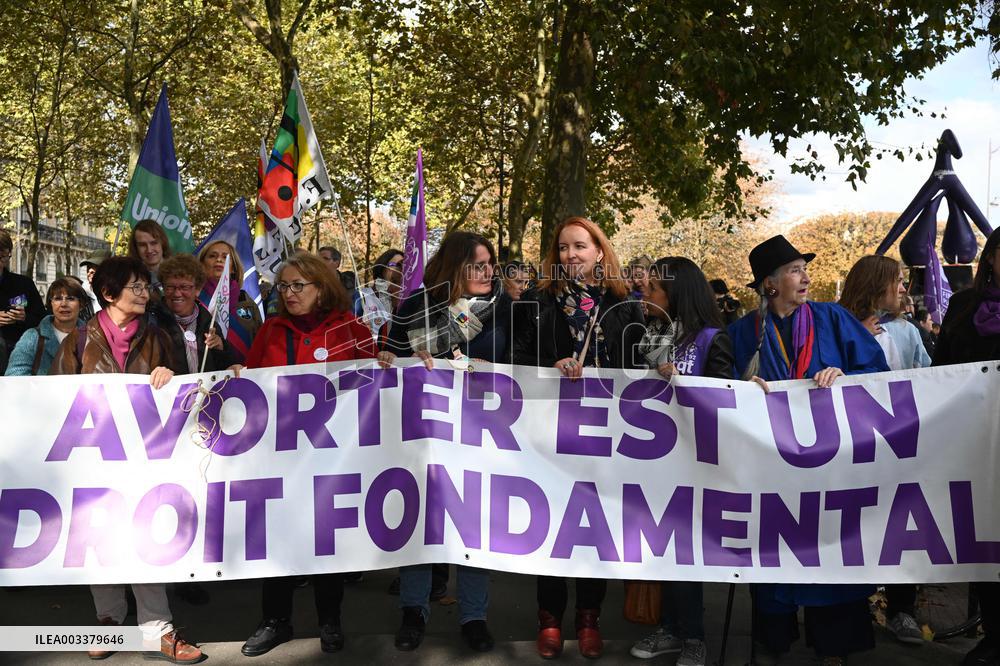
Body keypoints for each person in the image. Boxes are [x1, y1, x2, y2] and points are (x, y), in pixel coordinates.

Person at [729, 235, 888, 666]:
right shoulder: (744, 332)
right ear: (770, 284)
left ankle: (833, 648)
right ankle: (772, 642)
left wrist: (846, 376)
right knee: (772, 558)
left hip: (831, 466)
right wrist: (741, 387)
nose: (806, 277)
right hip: (771, 471)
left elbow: (879, 375)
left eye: (804, 268)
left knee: (830, 555)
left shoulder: (833, 318)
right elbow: (717, 387)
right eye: (795, 270)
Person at [48, 256, 201, 663]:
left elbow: (182, 390)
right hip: (92, 461)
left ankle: (158, 629)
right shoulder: (77, 342)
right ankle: (109, 621)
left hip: (144, 460)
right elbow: (53, 400)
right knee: (100, 541)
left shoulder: (157, 337)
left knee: (142, 539)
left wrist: (169, 375)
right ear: (109, 294)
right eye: (135, 286)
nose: (144, 292)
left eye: (145, 286)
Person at [512, 216, 645, 660]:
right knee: (552, 526)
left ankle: (589, 619)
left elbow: (638, 362)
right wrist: (551, 364)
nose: (571, 255)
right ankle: (549, 620)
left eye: (581, 246)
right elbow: (515, 355)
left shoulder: (626, 304)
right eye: (564, 248)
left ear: (600, 252)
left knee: (593, 528)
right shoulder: (536, 300)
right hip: (550, 431)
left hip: (607, 435)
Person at [379, 231, 510, 654]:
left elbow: (520, 360)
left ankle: (474, 616)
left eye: (491, 262)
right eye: (478, 264)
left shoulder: (503, 306)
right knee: (422, 523)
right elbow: (395, 357)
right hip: (425, 434)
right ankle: (413, 611)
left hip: (480, 434)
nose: (489, 271)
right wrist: (396, 359)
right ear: (455, 268)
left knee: (473, 525)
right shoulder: (417, 304)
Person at [239, 251, 376, 657]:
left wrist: (386, 362)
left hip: (331, 458)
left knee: (325, 543)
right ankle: (275, 621)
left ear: (322, 287)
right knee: (278, 539)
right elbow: (251, 382)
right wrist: (237, 377)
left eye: (299, 285)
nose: (290, 293)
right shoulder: (271, 330)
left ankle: (329, 620)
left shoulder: (352, 329)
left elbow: (373, 390)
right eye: (285, 286)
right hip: (279, 456)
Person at [629, 257, 733, 666]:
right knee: (663, 549)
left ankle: (693, 636)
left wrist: (685, 383)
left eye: (653, 289)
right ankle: (670, 629)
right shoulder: (653, 335)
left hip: (696, 465)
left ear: (676, 294)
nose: (645, 295)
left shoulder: (712, 339)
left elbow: (726, 401)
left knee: (687, 553)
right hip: (655, 463)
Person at [838, 254, 930, 647]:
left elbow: (928, 378)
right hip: (851, 449)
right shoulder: (838, 326)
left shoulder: (908, 333)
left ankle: (901, 609)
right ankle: (851, 611)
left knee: (901, 527)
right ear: (878, 285)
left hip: (899, 448)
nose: (904, 289)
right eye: (899, 281)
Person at [933, 227, 1000, 666]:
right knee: (984, 543)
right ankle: (993, 637)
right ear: (992, 258)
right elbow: (939, 373)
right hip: (973, 442)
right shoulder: (962, 306)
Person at [159, 254, 235, 375]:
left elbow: (224, 368)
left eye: (184, 287)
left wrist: (221, 347)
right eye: (170, 287)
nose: (177, 293)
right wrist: (157, 371)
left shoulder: (209, 323)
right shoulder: (153, 321)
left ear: (198, 290)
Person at [196, 239, 262, 362]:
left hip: (245, 375)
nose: (219, 260)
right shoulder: (193, 299)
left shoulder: (246, 301)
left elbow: (260, 341)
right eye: (212, 256)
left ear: (233, 268)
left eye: (225, 257)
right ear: (201, 265)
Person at [5, 278, 87, 376]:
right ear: (50, 304)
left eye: (70, 299)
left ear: (81, 304)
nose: (64, 304)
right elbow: (14, 376)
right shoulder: (32, 337)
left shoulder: (92, 337)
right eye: (57, 299)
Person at [0, 229, 46, 361]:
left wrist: (25, 317)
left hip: (20, 355)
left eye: (3, 257)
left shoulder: (23, 284)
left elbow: (42, 319)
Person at [128, 219, 171, 287]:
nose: (149, 250)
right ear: (135, 248)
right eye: (142, 245)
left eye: (154, 243)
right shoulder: (129, 278)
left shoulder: (179, 272)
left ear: (163, 243)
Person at [79, 250, 109, 315]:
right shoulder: (79, 294)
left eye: (96, 266)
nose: (90, 270)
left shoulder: (119, 296)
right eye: (89, 267)